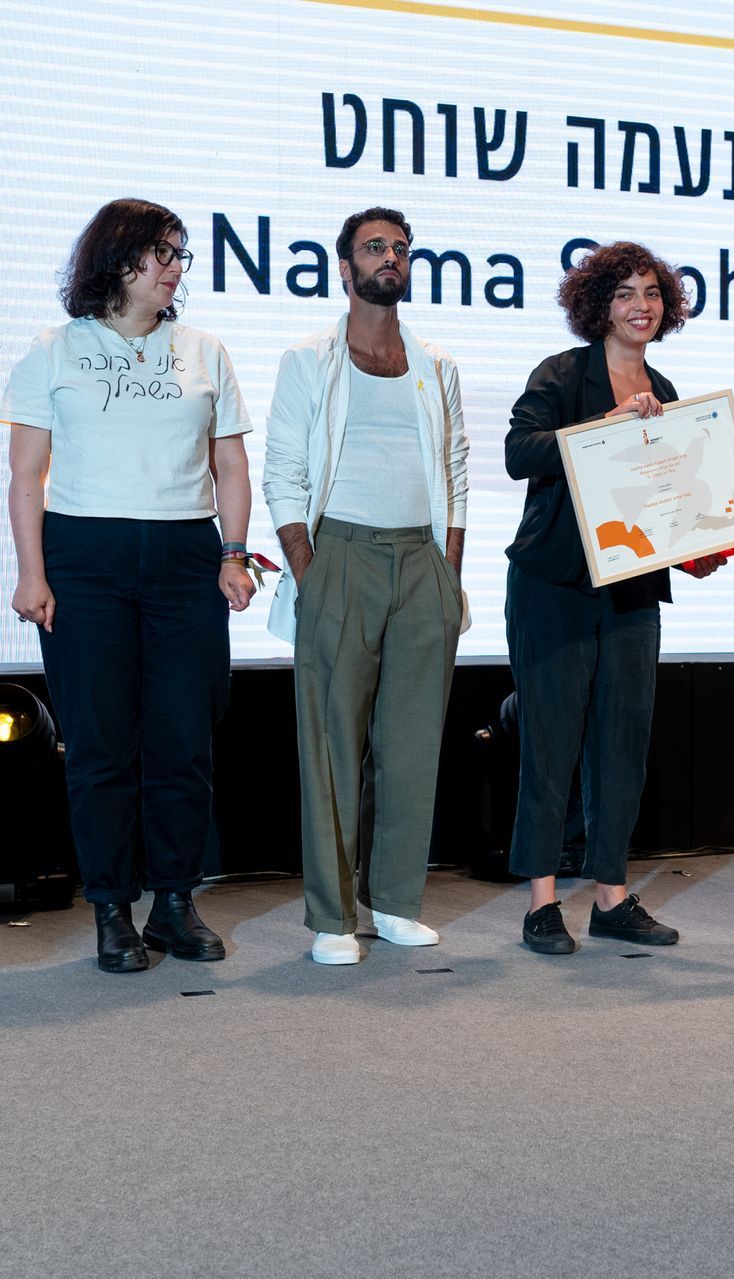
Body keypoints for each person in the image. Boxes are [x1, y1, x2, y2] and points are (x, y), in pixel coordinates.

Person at [1, 198, 255, 974]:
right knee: (100, 744)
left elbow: (232, 464)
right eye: (162, 253)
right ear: (117, 259)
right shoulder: (53, 351)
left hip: (185, 554)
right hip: (84, 555)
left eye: (180, 254)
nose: (176, 267)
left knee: (184, 740)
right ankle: (111, 907)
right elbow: (25, 473)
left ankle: (174, 901)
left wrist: (234, 553)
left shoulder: (204, 349)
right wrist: (32, 572)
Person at [503, 241, 725, 955]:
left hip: (632, 592)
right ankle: (541, 904)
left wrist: (699, 545)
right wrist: (599, 429)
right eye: (626, 292)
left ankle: (611, 897)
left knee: (622, 744)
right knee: (550, 744)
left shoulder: (665, 388)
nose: (641, 305)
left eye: (653, 292)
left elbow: (667, 499)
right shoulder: (562, 374)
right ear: (598, 304)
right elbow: (518, 453)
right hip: (554, 587)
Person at [262, 206, 469, 966]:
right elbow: (283, 469)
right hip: (339, 556)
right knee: (331, 746)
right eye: (375, 248)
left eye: (401, 249)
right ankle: (333, 916)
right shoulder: (308, 360)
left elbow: (455, 469)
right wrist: (308, 570)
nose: (391, 258)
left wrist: (448, 569)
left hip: (421, 562)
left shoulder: (436, 364)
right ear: (345, 268)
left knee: (413, 746)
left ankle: (396, 902)